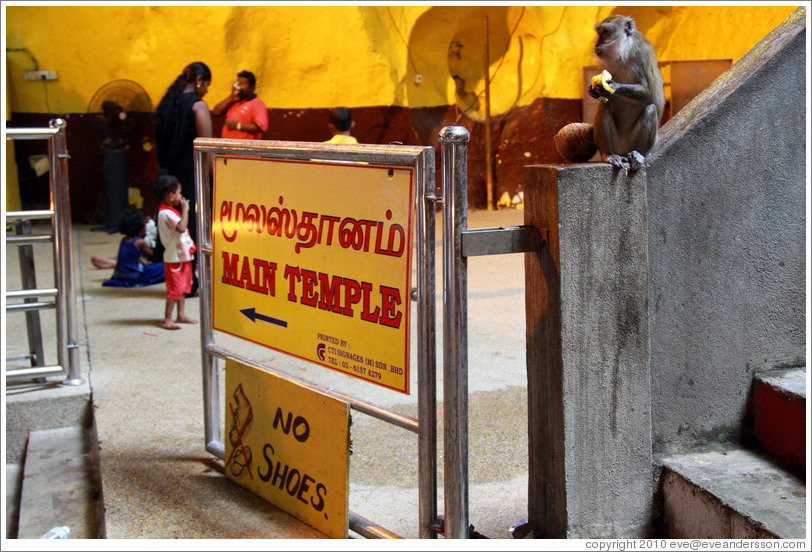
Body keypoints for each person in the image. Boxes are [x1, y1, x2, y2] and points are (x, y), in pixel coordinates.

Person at [154, 61, 212, 292]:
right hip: (190, 178)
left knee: (170, 231)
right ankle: (190, 279)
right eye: (207, 84)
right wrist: (212, 182)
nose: (207, 90)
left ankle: (176, 281)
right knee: (192, 229)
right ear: (198, 80)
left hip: (167, 179)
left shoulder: (166, 106)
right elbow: (205, 150)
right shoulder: (198, 107)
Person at [154, 174, 198, 330]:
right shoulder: (165, 214)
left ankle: (181, 314)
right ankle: (167, 318)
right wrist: (185, 209)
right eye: (178, 193)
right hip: (174, 259)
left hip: (182, 257)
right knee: (174, 290)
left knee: (184, 287)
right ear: (170, 195)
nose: (180, 196)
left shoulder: (170, 211)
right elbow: (181, 228)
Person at [91, 209, 164, 288]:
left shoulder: (124, 240)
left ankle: (108, 262)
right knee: (163, 267)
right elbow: (152, 254)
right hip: (134, 276)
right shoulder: (140, 242)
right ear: (140, 228)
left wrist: (144, 261)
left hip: (119, 274)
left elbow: (132, 256)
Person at [211, 70, 269, 140]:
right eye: (238, 84)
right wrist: (232, 95)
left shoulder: (257, 103)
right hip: (227, 149)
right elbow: (216, 112)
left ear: (252, 87)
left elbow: (261, 127)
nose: (239, 88)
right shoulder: (234, 102)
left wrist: (237, 126)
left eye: (243, 84)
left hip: (245, 149)